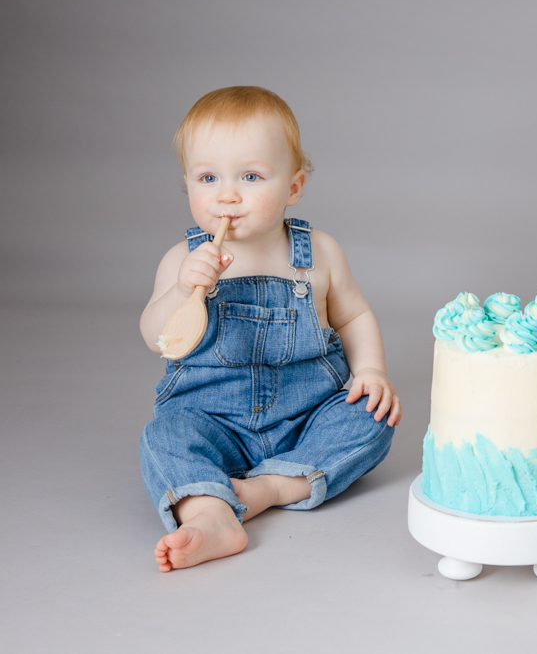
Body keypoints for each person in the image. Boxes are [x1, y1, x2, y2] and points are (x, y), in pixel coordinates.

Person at [139, 86, 401, 572]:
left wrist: (371, 370)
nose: (227, 195)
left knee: (373, 417)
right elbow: (157, 336)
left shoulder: (318, 253)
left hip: (306, 417)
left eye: (251, 176)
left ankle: (272, 487)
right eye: (208, 177)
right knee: (164, 435)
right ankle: (210, 514)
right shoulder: (182, 260)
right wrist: (180, 292)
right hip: (212, 418)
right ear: (187, 184)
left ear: (294, 187)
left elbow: (354, 316)